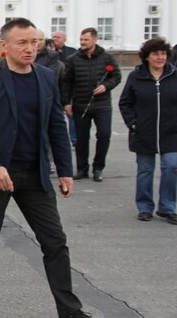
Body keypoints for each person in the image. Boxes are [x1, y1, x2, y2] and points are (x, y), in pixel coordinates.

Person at [0, 17, 90, 318]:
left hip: (35, 174)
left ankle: (70, 311)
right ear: (4, 46)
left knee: (55, 242)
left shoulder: (46, 77)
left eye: (34, 42)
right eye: (22, 43)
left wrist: (66, 170)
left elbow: (57, 124)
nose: (30, 48)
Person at [118, 38, 177, 225]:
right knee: (145, 170)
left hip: (171, 132)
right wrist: (133, 123)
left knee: (171, 168)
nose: (160, 57)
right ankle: (144, 207)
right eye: (155, 54)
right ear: (147, 57)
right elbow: (125, 103)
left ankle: (167, 207)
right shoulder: (136, 76)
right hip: (144, 132)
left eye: (163, 53)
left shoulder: (174, 75)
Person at [60, 27, 121, 182]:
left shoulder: (107, 57)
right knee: (81, 139)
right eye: (81, 39)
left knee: (104, 135)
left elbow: (116, 76)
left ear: (94, 40)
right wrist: (66, 102)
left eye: (86, 39)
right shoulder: (73, 59)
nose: (82, 42)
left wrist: (106, 86)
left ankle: (98, 167)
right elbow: (66, 82)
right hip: (80, 104)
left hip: (102, 105)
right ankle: (82, 168)